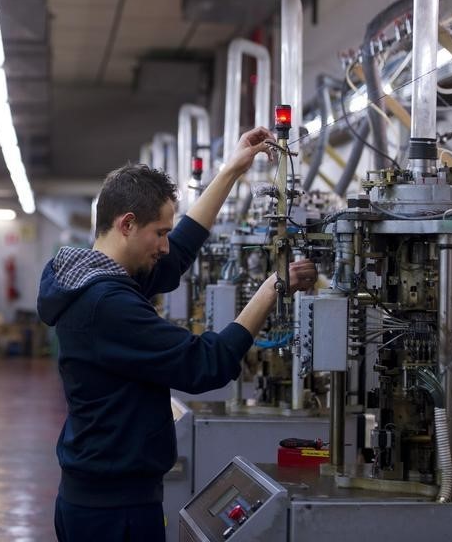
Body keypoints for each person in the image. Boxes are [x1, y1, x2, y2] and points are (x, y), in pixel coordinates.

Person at [37, 126, 318, 542]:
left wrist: (231, 172)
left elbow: (176, 257)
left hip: (100, 497)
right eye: (160, 233)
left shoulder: (89, 276)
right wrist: (272, 288)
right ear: (127, 224)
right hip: (115, 511)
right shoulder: (108, 305)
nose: (165, 246)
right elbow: (207, 365)